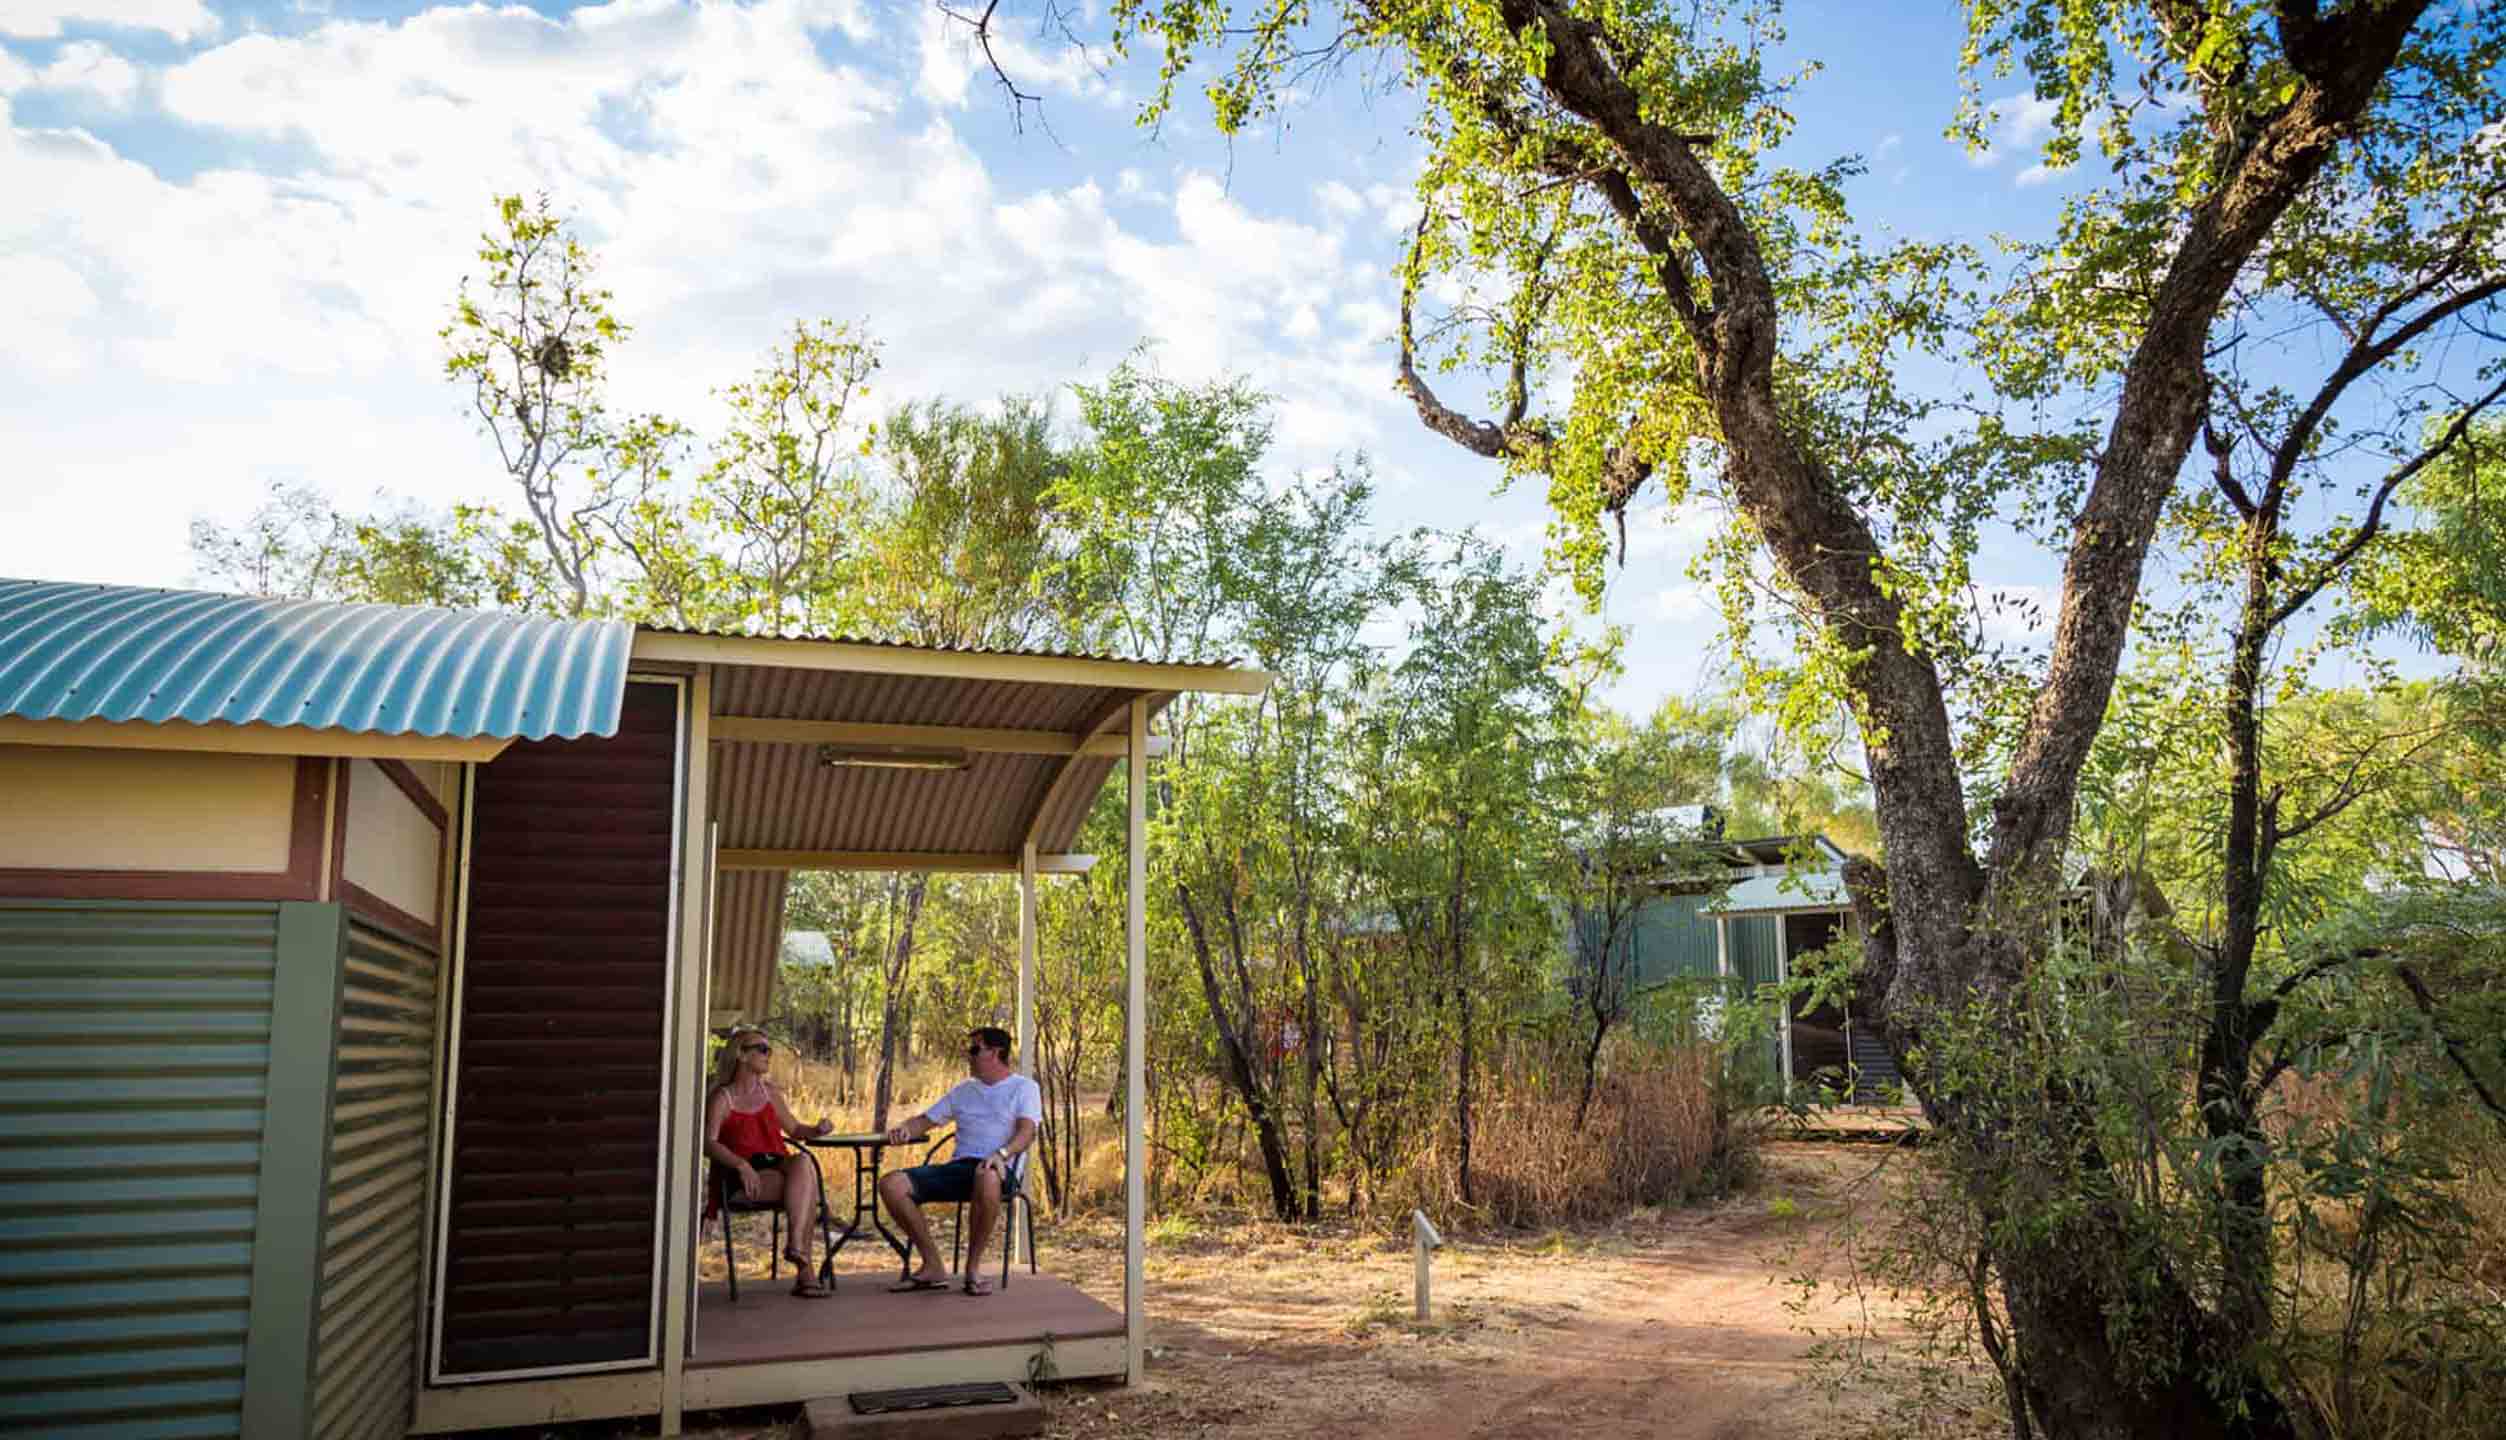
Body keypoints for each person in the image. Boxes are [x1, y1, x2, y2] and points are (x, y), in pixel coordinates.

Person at [877, 1025, 1042, 1296]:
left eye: (975, 1049)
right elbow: (925, 1121)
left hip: (999, 1169)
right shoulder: (964, 1090)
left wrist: (1001, 1155)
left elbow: (1027, 1132)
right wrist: (905, 1129)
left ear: (995, 1053)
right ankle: (933, 1264)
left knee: (986, 1175)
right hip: (960, 1168)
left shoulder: (1024, 1088)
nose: (969, 1055)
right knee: (891, 1184)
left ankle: (973, 1269)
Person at [703, 1026, 836, 1298]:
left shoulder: (770, 1093)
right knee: (806, 1187)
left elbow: (795, 1129)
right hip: (741, 1175)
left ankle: (796, 1246)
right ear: (741, 1055)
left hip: (775, 1164)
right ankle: (805, 1271)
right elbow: (708, 1143)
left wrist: (817, 1129)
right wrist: (741, 1165)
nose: (768, 1055)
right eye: (762, 1049)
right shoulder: (722, 1097)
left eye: (769, 1050)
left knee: (803, 1162)